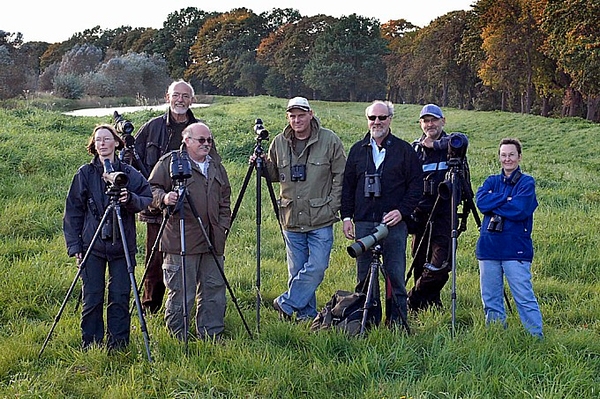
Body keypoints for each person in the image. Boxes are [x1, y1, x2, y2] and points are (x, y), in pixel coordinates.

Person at [63, 124, 152, 350]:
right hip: (91, 244)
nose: (102, 143)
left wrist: (128, 198)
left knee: (120, 296)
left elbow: (147, 197)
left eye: (107, 139)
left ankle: (118, 346)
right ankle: (91, 344)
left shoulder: (129, 173)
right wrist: (75, 247)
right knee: (92, 296)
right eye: (98, 140)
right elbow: (73, 211)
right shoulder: (85, 173)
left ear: (116, 142)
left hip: (122, 244)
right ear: (93, 145)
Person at [259, 96, 346, 322]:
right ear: (287, 117)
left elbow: (341, 176)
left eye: (301, 115)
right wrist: (261, 166)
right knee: (296, 271)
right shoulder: (278, 142)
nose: (297, 120)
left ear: (311, 114)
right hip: (291, 218)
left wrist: (333, 205)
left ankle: (285, 303)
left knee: (317, 268)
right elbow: (274, 176)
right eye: (292, 116)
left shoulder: (329, 140)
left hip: (321, 217)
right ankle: (306, 316)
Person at [341, 100, 422, 329]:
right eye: (372, 118)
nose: (377, 122)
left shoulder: (404, 150)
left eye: (382, 118)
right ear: (367, 120)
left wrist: (402, 212)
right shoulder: (357, 150)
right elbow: (348, 186)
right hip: (364, 222)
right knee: (364, 276)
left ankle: (397, 324)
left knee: (395, 275)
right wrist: (347, 217)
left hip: (393, 224)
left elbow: (416, 186)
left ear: (390, 120)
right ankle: (366, 323)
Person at [148, 122, 231, 340]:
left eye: (209, 140)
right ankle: (177, 336)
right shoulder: (170, 162)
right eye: (201, 140)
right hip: (180, 238)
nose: (206, 144)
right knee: (181, 292)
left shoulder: (216, 165)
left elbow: (224, 198)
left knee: (214, 289)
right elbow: (150, 189)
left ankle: (211, 334)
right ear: (187, 141)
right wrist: (164, 198)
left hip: (213, 239)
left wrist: (223, 226)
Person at [131, 79, 205, 315]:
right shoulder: (151, 127)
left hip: (191, 207)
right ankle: (150, 307)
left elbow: (210, 164)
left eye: (185, 96)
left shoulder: (200, 129)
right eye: (176, 95)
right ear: (167, 97)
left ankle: (184, 307)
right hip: (156, 207)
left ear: (192, 100)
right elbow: (131, 161)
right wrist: (146, 194)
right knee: (155, 259)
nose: (180, 100)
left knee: (189, 257)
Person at [475, 138, 543, 337]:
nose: (507, 159)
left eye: (511, 154)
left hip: (515, 249)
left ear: (519, 157)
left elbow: (520, 209)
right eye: (503, 155)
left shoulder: (527, 182)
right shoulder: (491, 181)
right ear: (499, 157)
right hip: (488, 248)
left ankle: (535, 338)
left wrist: (494, 201)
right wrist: (507, 198)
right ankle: (497, 336)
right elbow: (481, 202)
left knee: (523, 296)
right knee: (490, 297)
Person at [407, 104, 453, 312]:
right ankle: (428, 304)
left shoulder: (453, 145)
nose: (430, 124)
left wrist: (435, 145)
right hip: (420, 214)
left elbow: (461, 141)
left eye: (434, 120)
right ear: (420, 124)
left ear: (443, 121)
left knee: (440, 264)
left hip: (445, 214)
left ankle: (413, 297)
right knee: (419, 261)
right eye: (426, 121)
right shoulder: (415, 150)